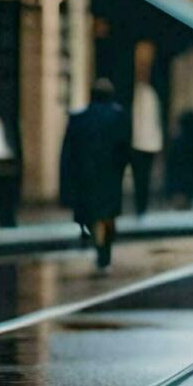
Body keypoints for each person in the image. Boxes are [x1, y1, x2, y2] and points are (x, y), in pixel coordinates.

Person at [60, 78, 131, 269]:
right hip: (110, 176)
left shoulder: (79, 119)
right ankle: (104, 250)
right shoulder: (119, 118)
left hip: (87, 176)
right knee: (107, 215)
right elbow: (125, 150)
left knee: (94, 215)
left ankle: (101, 248)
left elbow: (68, 154)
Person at [129, 42, 162, 217]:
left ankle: (141, 208)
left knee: (143, 177)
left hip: (146, 143)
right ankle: (140, 207)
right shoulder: (137, 92)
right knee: (140, 177)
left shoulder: (150, 93)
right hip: (137, 142)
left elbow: (153, 121)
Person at [167, 109, 193, 209]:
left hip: (181, 186)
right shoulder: (192, 143)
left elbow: (172, 168)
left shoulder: (180, 142)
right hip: (184, 186)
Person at [0, 114, 21, 228]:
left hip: (5, 168)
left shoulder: (4, 127)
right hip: (3, 167)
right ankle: (6, 220)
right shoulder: (2, 127)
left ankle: (7, 220)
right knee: (5, 199)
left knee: (5, 199)